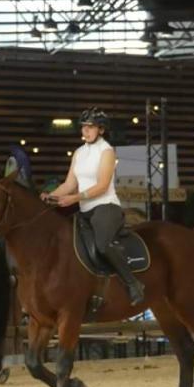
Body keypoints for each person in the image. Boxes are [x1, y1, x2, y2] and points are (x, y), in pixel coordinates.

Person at [42, 107, 144, 305]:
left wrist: (74, 198)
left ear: (101, 129)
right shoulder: (79, 153)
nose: (85, 131)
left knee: (103, 245)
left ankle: (133, 284)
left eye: (90, 127)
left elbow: (102, 185)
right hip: (84, 211)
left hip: (106, 207)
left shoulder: (106, 152)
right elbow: (69, 184)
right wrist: (50, 196)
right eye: (83, 127)